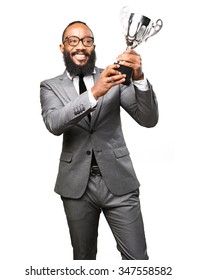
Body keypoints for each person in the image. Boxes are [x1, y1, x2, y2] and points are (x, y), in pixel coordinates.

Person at [40, 20, 159, 260]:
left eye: (86, 41)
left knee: (137, 259)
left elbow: (148, 120)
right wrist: (94, 93)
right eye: (72, 41)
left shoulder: (113, 76)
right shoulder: (50, 86)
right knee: (84, 259)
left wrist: (139, 78)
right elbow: (55, 123)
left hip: (120, 183)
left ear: (93, 46)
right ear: (62, 48)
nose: (80, 47)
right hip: (76, 187)